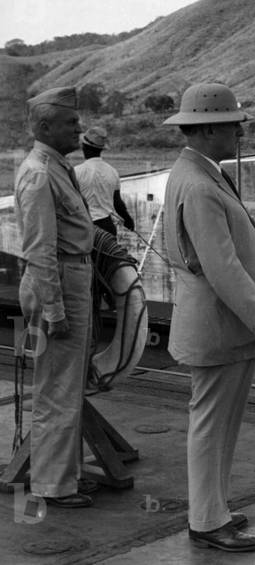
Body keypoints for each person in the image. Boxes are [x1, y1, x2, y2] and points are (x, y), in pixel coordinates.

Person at [163, 82, 255, 552]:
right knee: (212, 425)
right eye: (234, 126)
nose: (240, 133)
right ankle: (205, 520)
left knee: (220, 425)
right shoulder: (199, 184)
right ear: (209, 128)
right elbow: (224, 270)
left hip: (223, 326)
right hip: (219, 326)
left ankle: (214, 511)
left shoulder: (199, 173)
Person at [14, 87, 95, 508]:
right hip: (58, 281)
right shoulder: (40, 174)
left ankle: (65, 476)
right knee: (56, 390)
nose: (79, 129)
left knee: (66, 387)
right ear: (46, 127)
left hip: (70, 275)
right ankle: (52, 485)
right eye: (71, 123)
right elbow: (40, 250)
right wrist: (55, 310)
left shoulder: (58, 167)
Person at [74, 126, 135, 236]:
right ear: (101, 149)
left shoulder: (76, 172)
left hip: (84, 227)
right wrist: (128, 219)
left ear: (84, 147)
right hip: (107, 227)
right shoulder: (112, 172)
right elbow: (118, 203)